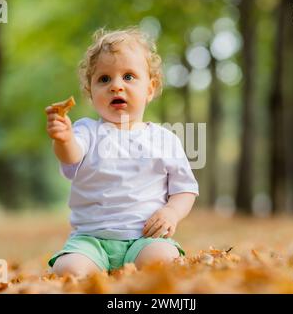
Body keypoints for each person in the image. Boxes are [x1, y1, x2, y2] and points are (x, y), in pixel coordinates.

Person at [45, 27, 199, 278]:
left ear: (150, 88)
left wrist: (171, 213)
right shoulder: (86, 131)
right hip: (90, 241)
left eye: (128, 77)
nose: (116, 86)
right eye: (104, 79)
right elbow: (71, 155)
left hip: (145, 239)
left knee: (163, 260)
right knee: (68, 270)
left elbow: (184, 189)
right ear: (90, 91)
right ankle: (92, 269)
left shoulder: (164, 138)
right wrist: (63, 138)